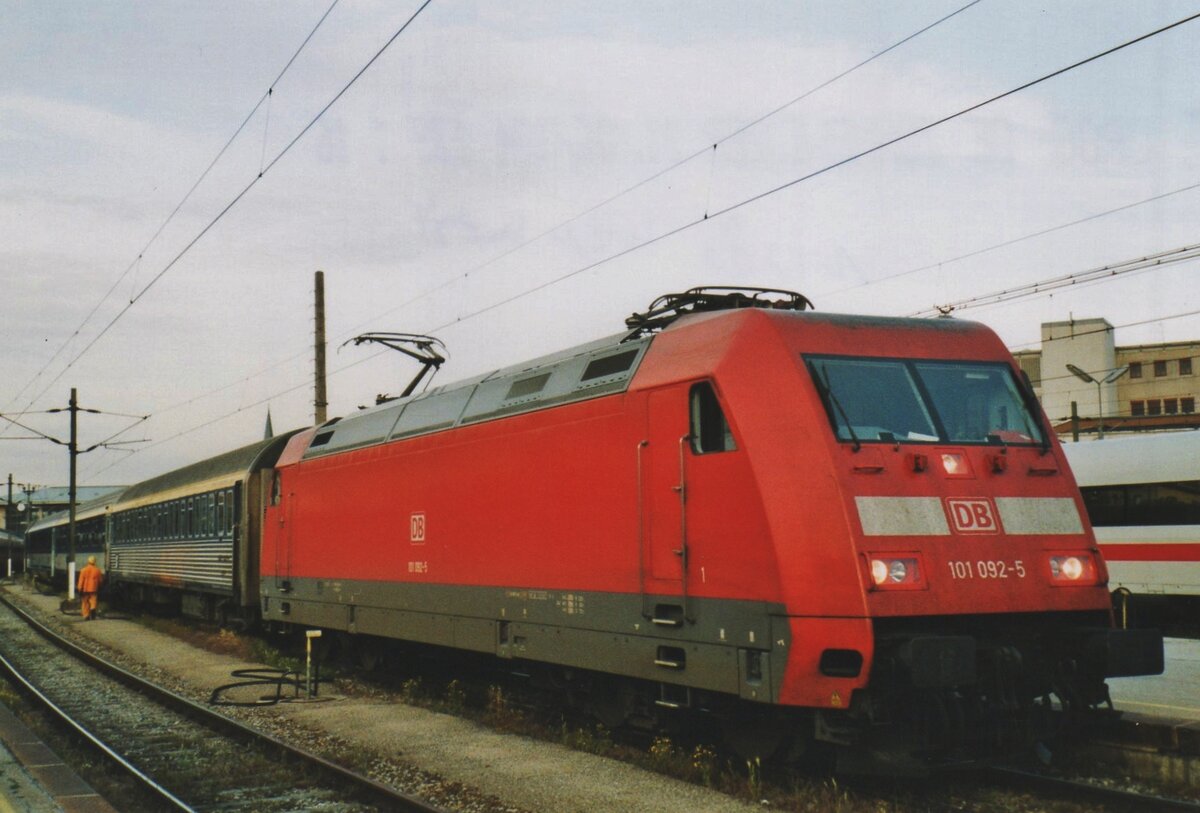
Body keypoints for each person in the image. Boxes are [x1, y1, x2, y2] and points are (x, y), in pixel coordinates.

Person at [77, 555, 104, 620]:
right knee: (93, 601)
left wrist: (80, 589)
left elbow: (81, 581)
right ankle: (93, 610)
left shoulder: (83, 570)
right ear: (95, 562)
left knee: (85, 603)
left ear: (88, 562)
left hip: (85, 589)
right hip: (94, 589)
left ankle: (86, 615)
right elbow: (100, 580)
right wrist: (100, 586)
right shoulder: (97, 570)